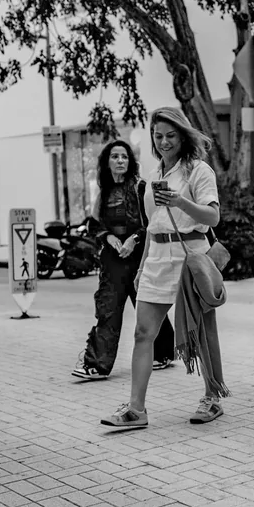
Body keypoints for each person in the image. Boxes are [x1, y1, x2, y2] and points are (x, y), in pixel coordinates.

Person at [100, 107, 224, 430]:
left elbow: (212, 218)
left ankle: (212, 397)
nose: (165, 142)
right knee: (143, 333)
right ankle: (136, 410)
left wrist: (181, 203)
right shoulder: (151, 177)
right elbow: (153, 225)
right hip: (156, 257)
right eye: (158, 136)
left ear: (183, 136)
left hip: (190, 256)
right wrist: (142, 268)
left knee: (201, 331)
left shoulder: (199, 171)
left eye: (171, 136)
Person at [72, 140, 175, 380]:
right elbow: (96, 225)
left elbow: (152, 221)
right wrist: (107, 237)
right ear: (107, 162)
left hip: (139, 258)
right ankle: (97, 364)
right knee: (108, 309)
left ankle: (163, 353)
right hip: (113, 261)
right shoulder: (104, 191)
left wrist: (134, 240)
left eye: (124, 157)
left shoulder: (140, 187)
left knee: (148, 305)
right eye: (115, 157)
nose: (120, 161)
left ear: (130, 162)